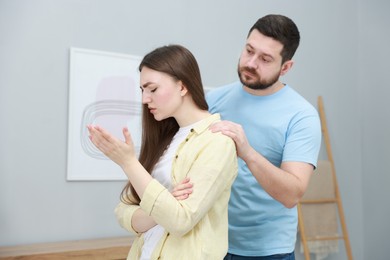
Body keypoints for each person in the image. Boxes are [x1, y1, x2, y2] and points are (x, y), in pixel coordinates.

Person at [177, 14, 322, 259]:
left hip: (268, 250)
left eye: (265, 59)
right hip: (211, 242)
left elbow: (292, 194)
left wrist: (247, 152)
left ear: (285, 67)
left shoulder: (302, 116)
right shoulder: (213, 100)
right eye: (249, 50)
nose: (251, 63)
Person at [87, 44, 238, 259]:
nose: (144, 99)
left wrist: (128, 163)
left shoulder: (217, 142)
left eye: (153, 89)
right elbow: (123, 212)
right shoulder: (165, 139)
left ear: (183, 86)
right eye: (142, 90)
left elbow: (180, 220)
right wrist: (162, 204)